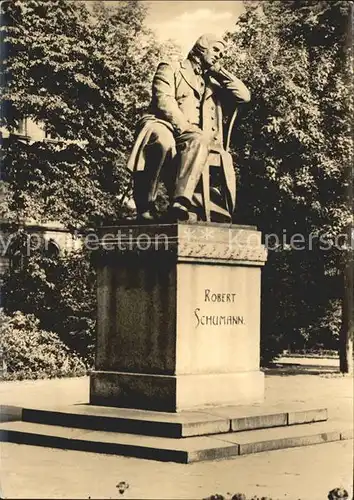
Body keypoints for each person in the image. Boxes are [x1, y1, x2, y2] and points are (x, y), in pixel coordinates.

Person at [127, 33, 251, 222]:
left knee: (199, 138)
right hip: (163, 123)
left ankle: (181, 203)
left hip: (193, 136)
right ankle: (145, 205)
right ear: (201, 47)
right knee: (163, 140)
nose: (219, 55)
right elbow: (164, 101)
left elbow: (244, 96)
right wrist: (183, 126)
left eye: (222, 53)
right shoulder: (171, 67)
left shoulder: (212, 81)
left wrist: (219, 70)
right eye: (216, 49)